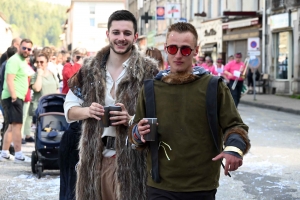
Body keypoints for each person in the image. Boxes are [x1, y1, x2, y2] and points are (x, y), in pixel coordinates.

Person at [130, 22, 250, 200]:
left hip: (200, 185)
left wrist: (234, 149)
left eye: (185, 50)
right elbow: (135, 131)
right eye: (172, 49)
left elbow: (235, 125)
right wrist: (138, 133)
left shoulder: (213, 86)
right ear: (165, 49)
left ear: (196, 50)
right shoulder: (150, 88)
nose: (178, 55)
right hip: (160, 184)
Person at [62, 10, 158, 200]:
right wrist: (88, 111)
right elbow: (69, 110)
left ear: (135, 36)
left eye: (127, 33)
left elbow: (158, 122)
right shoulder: (89, 69)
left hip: (132, 164)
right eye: (116, 32)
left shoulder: (149, 71)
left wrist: (130, 120)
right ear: (108, 34)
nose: (121, 38)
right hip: (95, 160)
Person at [0, 39, 33, 163]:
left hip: (17, 97)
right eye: (24, 48)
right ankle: (19, 154)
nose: (26, 51)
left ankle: (4, 152)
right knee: (17, 126)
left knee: (11, 126)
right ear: (19, 47)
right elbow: (9, 80)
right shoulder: (14, 60)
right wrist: (14, 96)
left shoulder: (22, 61)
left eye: (29, 49)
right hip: (13, 97)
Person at [29, 53, 59, 129]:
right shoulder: (35, 75)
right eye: (37, 62)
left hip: (52, 107)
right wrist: (39, 74)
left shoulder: (52, 74)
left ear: (47, 63)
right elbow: (37, 88)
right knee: (41, 132)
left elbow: (57, 90)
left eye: (41, 62)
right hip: (40, 109)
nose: (39, 64)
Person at [0, 46, 18, 153]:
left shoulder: (5, 64)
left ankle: (5, 145)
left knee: (8, 121)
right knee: (9, 121)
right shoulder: (8, 65)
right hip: (7, 96)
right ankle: (5, 147)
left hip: (5, 95)